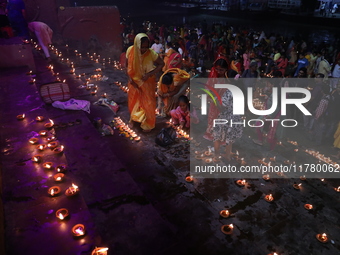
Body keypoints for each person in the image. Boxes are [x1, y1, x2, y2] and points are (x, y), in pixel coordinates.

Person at [126, 33, 164, 132]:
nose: (144, 50)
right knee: (134, 101)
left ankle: (148, 124)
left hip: (147, 82)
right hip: (134, 81)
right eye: (142, 47)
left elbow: (161, 64)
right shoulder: (130, 50)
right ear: (136, 44)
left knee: (148, 103)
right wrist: (130, 79)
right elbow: (127, 66)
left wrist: (149, 74)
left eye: (146, 47)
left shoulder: (151, 53)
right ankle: (133, 120)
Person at [212, 80, 244, 162]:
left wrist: (215, 100)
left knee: (217, 136)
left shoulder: (229, 92)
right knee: (230, 137)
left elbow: (222, 107)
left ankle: (216, 155)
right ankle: (227, 156)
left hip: (226, 117)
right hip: (235, 117)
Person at [203, 57, 229, 141]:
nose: (218, 71)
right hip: (214, 101)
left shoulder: (228, 79)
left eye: (221, 70)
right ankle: (212, 133)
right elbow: (207, 87)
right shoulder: (213, 77)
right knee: (212, 117)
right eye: (217, 69)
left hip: (224, 103)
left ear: (226, 69)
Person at [252, 78, 282, 150]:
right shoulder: (276, 92)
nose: (267, 85)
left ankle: (261, 141)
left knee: (259, 123)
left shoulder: (277, 93)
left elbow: (277, 106)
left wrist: (270, 116)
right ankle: (271, 147)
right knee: (271, 131)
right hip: (270, 114)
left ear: (272, 84)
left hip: (271, 115)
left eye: (268, 83)